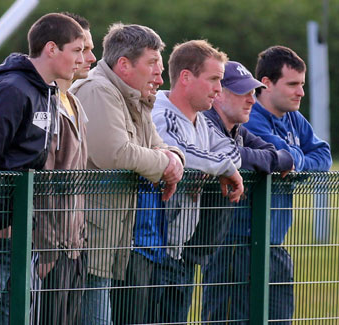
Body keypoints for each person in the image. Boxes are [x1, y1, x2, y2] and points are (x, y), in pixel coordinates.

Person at [0, 13, 84, 325]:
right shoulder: (12, 90)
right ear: (51, 49)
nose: (82, 59)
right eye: (76, 50)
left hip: (22, 230)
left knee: (15, 314)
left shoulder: (46, 91)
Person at [204, 48, 332, 324]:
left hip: (274, 243)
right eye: (293, 84)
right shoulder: (250, 118)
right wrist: (289, 159)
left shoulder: (294, 118)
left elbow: (323, 155)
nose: (301, 92)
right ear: (268, 83)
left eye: (302, 84)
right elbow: (275, 157)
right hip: (236, 244)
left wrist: (294, 162)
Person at [70, 23, 185, 324]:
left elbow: (161, 147)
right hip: (89, 239)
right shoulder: (98, 90)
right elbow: (115, 152)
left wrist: (174, 159)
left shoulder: (134, 97)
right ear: (123, 65)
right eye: (152, 65)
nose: (160, 76)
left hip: (109, 238)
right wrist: (166, 166)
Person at [148, 40, 244, 323]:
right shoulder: (160, 114)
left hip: (180, 255)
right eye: (214, 79)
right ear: (186, 77)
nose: (218, 89)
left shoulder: (202, 121)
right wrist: (220, 167)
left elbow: (231, 151)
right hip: (152, 253)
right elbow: (182, 156)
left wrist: (217, 166)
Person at [201, 59, 295, 324]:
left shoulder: (238, 128)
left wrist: (277, 159)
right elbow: (230, 155)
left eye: (252, 92)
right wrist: (270, 160)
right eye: (243, 92)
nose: (252, 100)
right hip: (224, 244)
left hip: (233, 241)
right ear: (218, 94)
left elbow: (274, 154)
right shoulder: (205, 123)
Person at [30, 12, 96, 324]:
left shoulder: (75, 102)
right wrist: (46, 249)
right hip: (49, 252)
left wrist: (76, 245)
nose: (91, 58)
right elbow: (40, 179)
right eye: (82, 49)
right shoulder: (43, 102)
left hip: (73, 249)